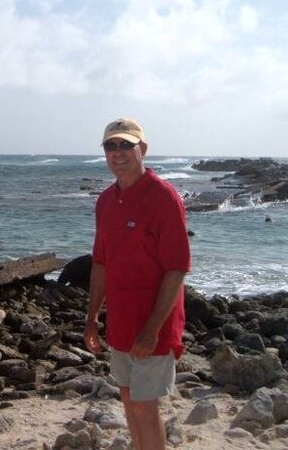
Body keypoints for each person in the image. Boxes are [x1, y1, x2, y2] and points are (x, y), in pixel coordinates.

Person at [84, 117, 190, 450]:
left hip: (153, 325)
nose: (118, 153)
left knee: (145, 405)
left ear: (141, 149)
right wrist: (91, 318)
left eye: (126, 145)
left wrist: (152, 329)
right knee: (129, 398)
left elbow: (177, 268)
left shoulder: (164, 198)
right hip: (121, 321)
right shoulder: (105, 201)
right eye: (111, 146)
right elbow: (101, 263)